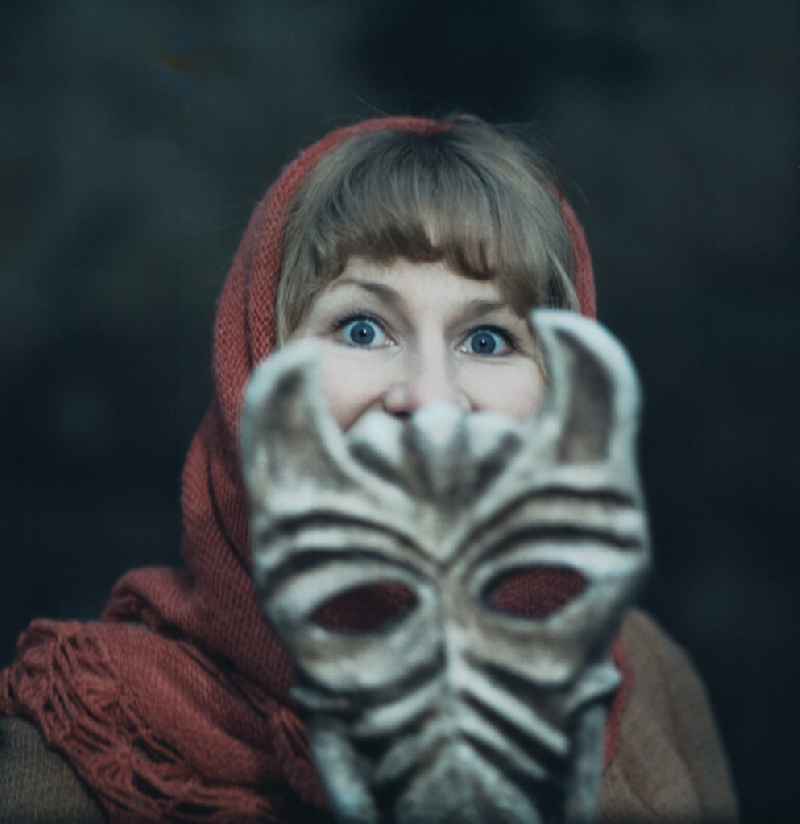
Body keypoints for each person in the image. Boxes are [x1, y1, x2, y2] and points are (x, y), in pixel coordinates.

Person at [0, 114, 738, 822]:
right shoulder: (67, 763)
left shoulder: (648, 682)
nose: (430, 400)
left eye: (487, 340)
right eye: (362, 328)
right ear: (254, 370)